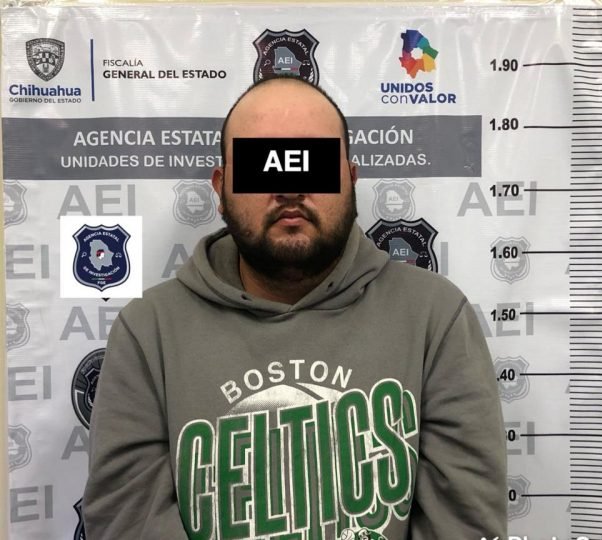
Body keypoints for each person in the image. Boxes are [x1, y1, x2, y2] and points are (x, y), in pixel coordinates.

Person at [83, 75, 507, 539]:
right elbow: (127, 520)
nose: (289, 187)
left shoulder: (435, 318)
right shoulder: (148, 331)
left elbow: (463, 523)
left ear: (351, 179)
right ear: (221, 188)